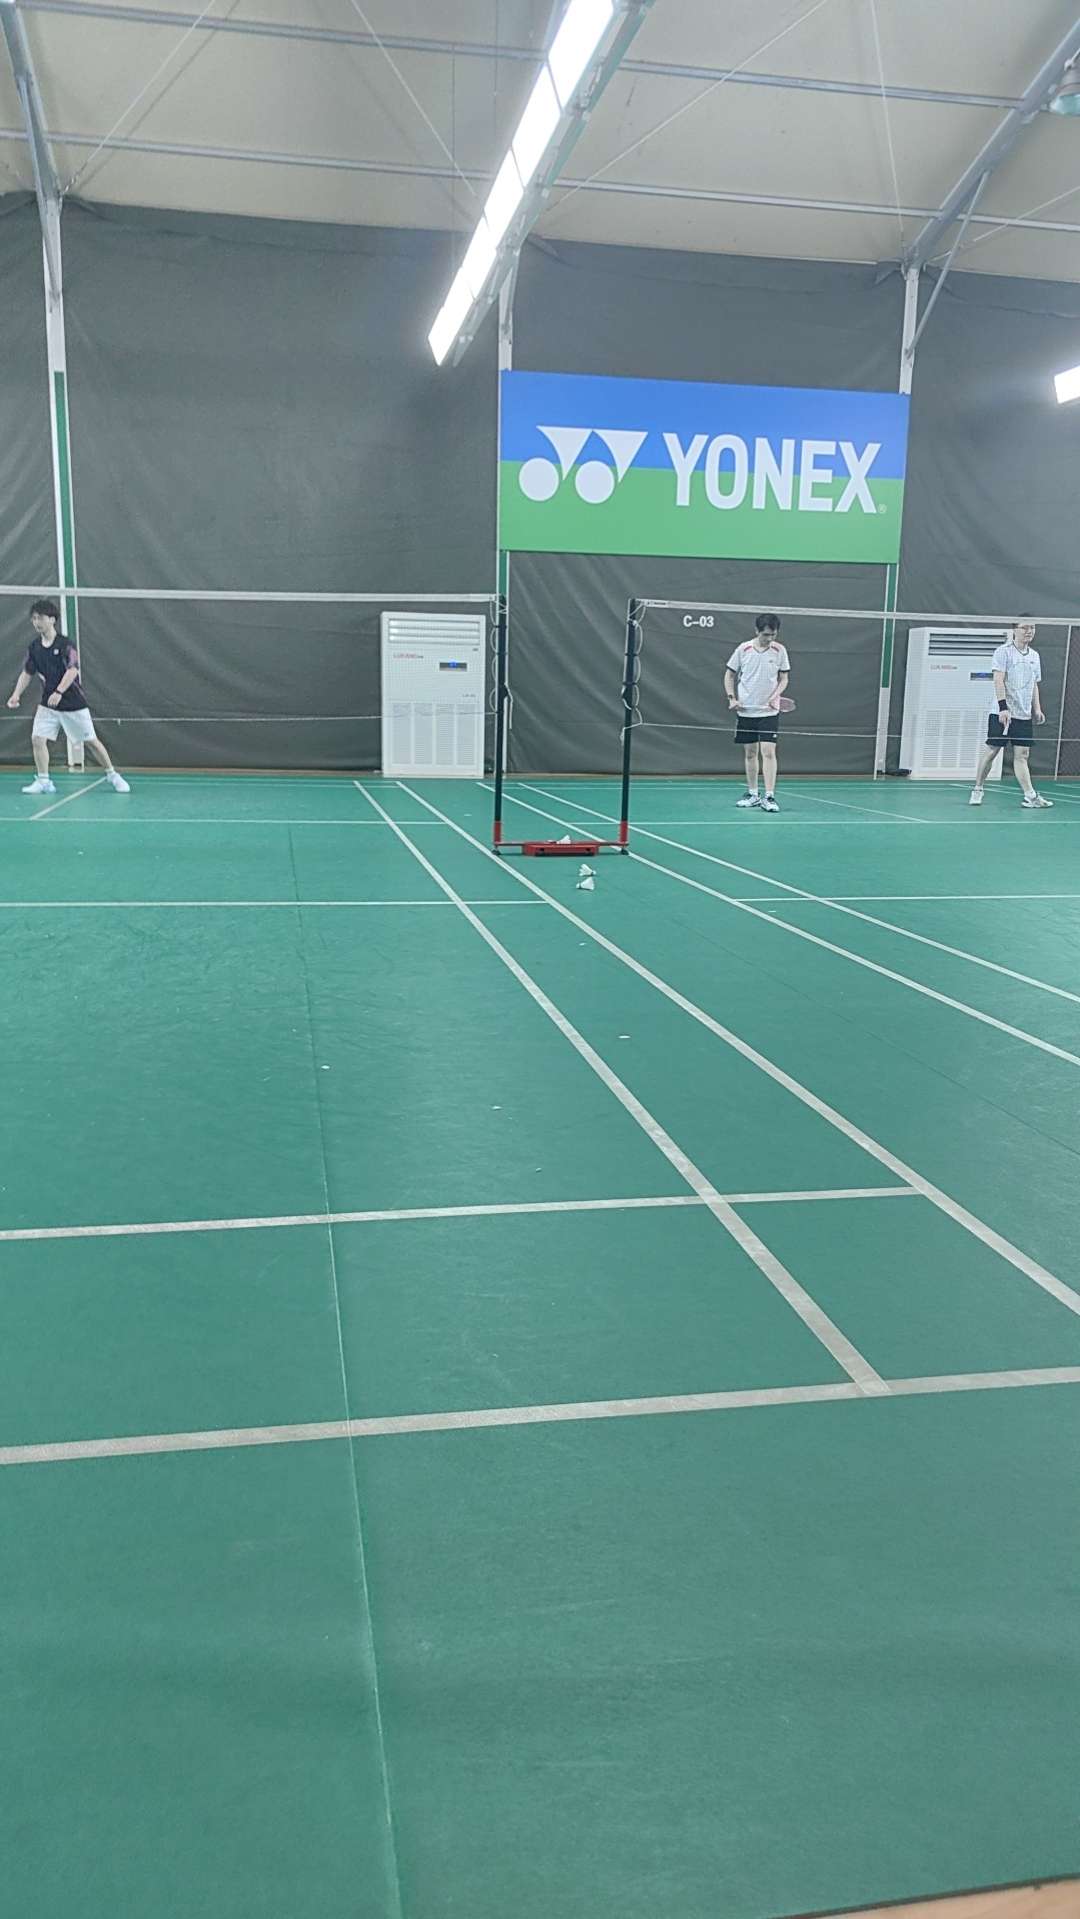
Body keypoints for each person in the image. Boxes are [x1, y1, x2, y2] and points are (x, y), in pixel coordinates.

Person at [7, 600, 130, 796]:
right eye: (34, 619)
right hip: (48, 705)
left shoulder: (66, 645)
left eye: (41, 618)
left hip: (73, 704)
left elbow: (72, 671)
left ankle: (112, 775)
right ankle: (44, 780)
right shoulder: (34, 647)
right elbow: (27, 672)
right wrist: (16, 694)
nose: (37, 622)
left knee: (91, 741)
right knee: (37, 739)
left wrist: (59, 692)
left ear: (52, 620)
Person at [969, 618, 1052, 808]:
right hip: (1002, 712)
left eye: (1032, 628)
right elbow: (998, 680)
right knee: (992, 750)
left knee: (1022, 755)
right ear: (1014, 630)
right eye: (1025, 628)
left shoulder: (1035, 656)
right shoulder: (1003, 651)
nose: (1029, 631)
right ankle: (978, 789)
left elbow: (1034, 684)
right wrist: (1003, 707)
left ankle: (1030, 796)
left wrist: (1037, 708)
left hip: (1023, 714)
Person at [725, 612, 790, 813]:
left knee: (768, 752)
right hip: (746, 711)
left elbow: (784, 678)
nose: (769, 639)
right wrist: (732, 698)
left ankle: (769, 796)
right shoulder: (743, 649)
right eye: (765, 635)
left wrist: (775, 696)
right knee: (750, 753)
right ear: (757, 631)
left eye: (773, 635)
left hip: (769, 712)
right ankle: (753, 794)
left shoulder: (779, 650)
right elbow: (729, 675)